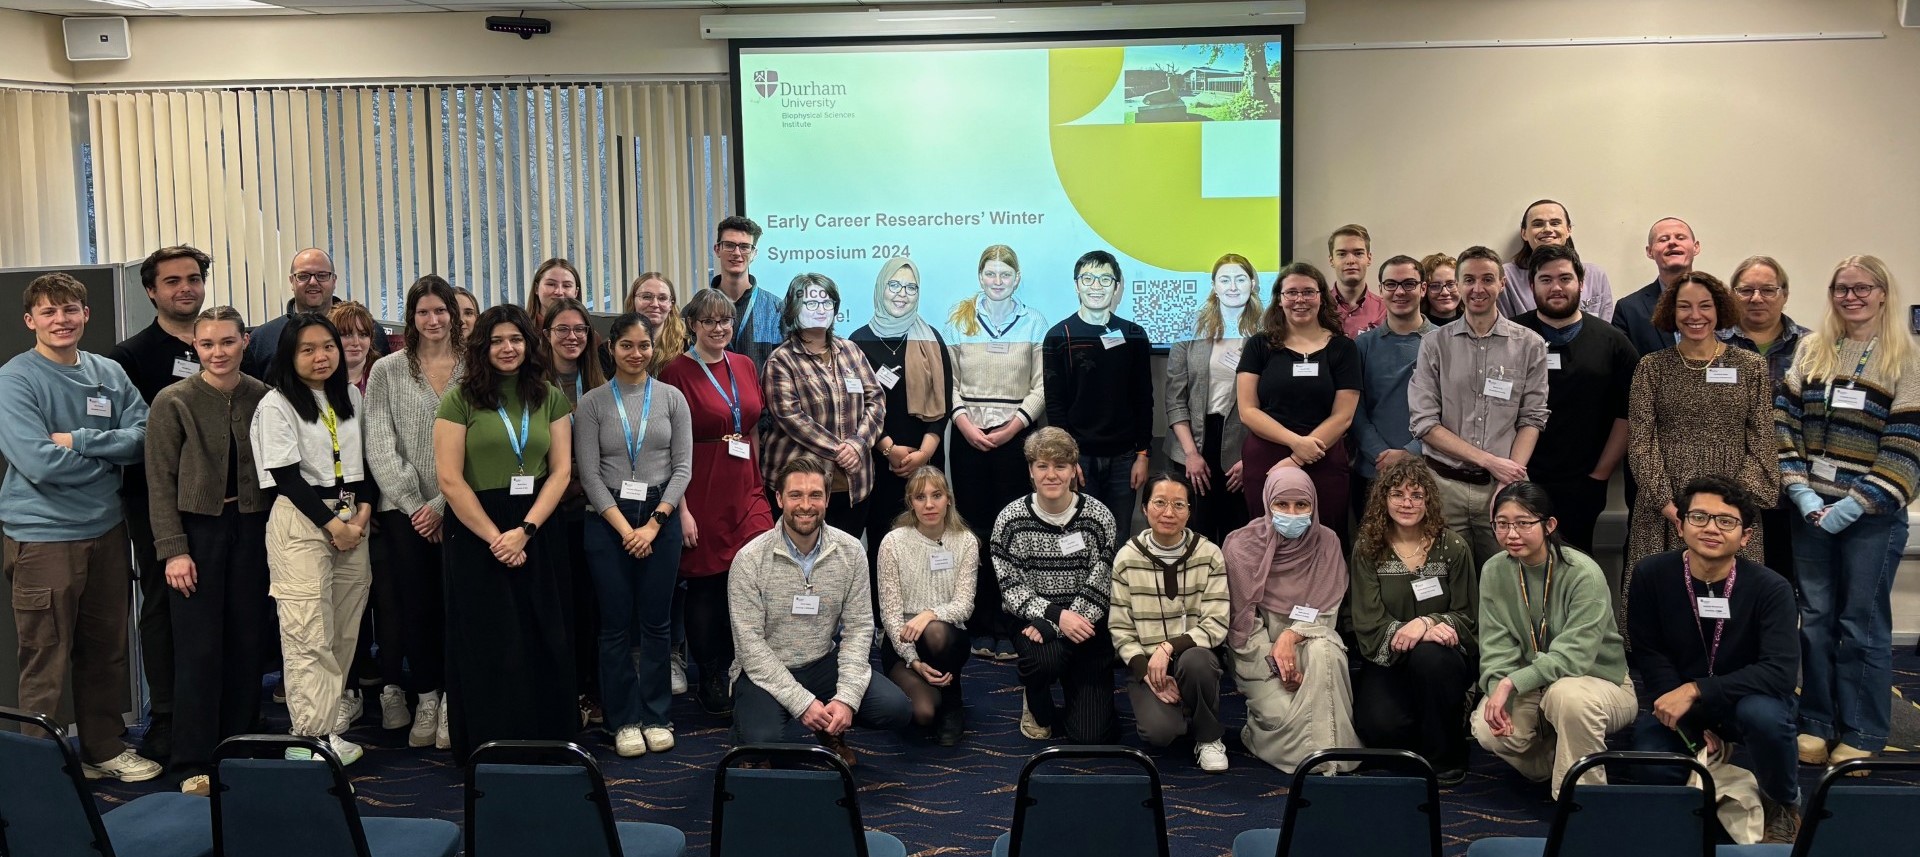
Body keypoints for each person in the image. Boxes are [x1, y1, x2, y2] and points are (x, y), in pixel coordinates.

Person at [0, 272, 159, 782]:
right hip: (44, 536)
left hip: (108, 532)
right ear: (30, 321)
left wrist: (82, 441)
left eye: (70, 310)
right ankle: (40, 769)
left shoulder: (109, 373)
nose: (61, 320)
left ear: (85, 315)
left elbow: (142, 436)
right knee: (45, 657)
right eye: (48, 312)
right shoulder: (15, 379)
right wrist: (108, 458)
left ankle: (103, 749)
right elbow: (39, 462)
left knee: (107, 649)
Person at [1777, 255, 1919, 771]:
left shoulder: (1907, 359)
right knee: (1814, 622)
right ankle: (1815, 721)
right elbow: (1783, 425)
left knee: (1861, 625)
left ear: (1884, 293)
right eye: (1842, 287)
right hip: (1810, 511)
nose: (1851, 296)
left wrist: (1856, 503)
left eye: (1862, 287)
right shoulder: (1813, 350)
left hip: (1873, 518)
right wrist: (1802, 493)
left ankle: (1863, 728)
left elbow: (1906, 450)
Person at [433, 304, 578, 762]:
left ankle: (548, 741)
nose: (507, 348)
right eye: (496, 340)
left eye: (515, 339)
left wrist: (526, 530)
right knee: (489, 639)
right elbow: (450, 479)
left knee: (542, 633)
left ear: (528, 344)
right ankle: (489, 743)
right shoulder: (459, 399)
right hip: (478, 531)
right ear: (482, 347)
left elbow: (560, 472)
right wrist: (498, 536)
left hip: (537, 526)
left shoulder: (549, 396)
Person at [1627, 476, 1802, 844]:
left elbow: (1779, 673)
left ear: (1746, 537)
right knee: (1647, 760)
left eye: (1726, 521)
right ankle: (1722, 774)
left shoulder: (1771, 588)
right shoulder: (1650, 574)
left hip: (1748, 700)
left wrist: (1697, 690)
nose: (1711, 528)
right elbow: (1650, 652)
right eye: (1700, 517)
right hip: (1682, 702)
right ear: (1680, 524)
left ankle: (1783, 803)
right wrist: (1688, 720)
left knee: (1766, 718)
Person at [144, 306, 271, 795]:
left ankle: (239, 746)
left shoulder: (262, 396)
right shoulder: (172, 401)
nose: (218, 352)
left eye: (227, 342)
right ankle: (192, 759)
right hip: (196, 533)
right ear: (195, 348)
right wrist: (174, 550)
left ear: (244, 341)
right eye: (207, 344)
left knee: (246, 641)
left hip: (252, 527)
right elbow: (159, 482)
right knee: (198, 648)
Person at [728, 455, 912, 764]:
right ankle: (744, 732)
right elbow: (750, 648)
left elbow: (859, 629)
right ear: (779, 498)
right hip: (764, 669)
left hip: (823, 662)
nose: (805, 504)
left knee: (897, 709)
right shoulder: (749, 560)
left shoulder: (851, 551)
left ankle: (830, 729)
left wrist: (845, 699)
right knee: (766, 742)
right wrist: (803, 704)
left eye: (815, 495)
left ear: (827, 499)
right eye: (795, 495)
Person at [252, 313, 376, 765]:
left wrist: (360, 517)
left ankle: (330, 727)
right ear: (290, 355)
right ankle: (308, 736)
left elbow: (366, 463)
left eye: (328, 346)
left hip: (351, 519)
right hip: (303, 522)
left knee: (344, 627)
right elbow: (285, 476)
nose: (320, 356)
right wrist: (334, 526)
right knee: (308, 630)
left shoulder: (350, 399)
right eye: (307, 349)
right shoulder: (276, 404)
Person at [109, 245, 210, 764]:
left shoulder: (224, 343)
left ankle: (216, 709)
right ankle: (167, 715)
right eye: (172, 281)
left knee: (217, 603)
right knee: (162, 604)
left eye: (193, 278)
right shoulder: (127, 358)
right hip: (153, 501)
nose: (185, 288)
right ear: (151, 291)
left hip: (220, 506)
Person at [576, 312, 693, 758]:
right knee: (613, 626)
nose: (636, 353)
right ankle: (623, 720)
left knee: (657, 624)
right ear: (611, 348)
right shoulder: (592, 404)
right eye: (626, 345)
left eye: (644, 345)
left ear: (653, 347)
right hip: (608, 522)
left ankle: (657, 714)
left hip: (658, 518)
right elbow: (587, 473)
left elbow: (683, 467)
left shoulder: (671, 399)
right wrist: (628, 529)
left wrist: (654, 523)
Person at [1625, 271, 1775, 619]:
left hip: (1732, 504)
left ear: (1719, 309)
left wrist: (1730, 510)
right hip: (1666, 505)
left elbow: (1763, 440)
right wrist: (1669, 507)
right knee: (1666, 605)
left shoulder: (1750, 366)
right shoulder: (1651, 368)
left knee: (1731, 608)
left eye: (1705, 306)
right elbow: (1641, 442)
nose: (1696, 316)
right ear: (1671, 313)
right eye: (1685, 307)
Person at [657, 288, 775, 716]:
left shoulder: (744, 365)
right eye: (709, 321)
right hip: (700, 487)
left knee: (751, 579)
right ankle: (709, 673)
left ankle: (748, 667)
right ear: (692, 325)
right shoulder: (675, 373)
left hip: (746, 485)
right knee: (707, 585)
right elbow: (669, 447)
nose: (719, 328)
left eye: (725, 320)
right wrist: (681, 510)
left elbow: (753, 427)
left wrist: (759, 481)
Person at [1474, 482, 1633, 798]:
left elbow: (1574, 657)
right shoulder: (1495, 570)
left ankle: (1582, 801)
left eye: (1523, 523)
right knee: (1486, 729)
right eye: (1502, 524)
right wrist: (1497, 688)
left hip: (1598, 681)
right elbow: (1495, 645)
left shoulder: (1582, 573)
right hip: (1531, 684)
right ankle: (1559, 761)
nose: (1512, 534)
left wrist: (1510, 683)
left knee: (1567, 696)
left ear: (1549, 525)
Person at [363, 275, 466, 750]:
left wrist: (444, 503)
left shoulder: (475, 364)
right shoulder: (386, 370)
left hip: (464, 507)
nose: (433, 320)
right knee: (416, 608)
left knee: (458, 606)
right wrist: (416, 506)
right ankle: (426, 696)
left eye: (441, 310)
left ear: (454, 313)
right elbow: (380, 444)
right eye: (423, 312)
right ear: (411, 317)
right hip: (405, 514)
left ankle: (454, 702)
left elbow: (482, 438)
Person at [1408, 245, 1550, 569]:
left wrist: (1507, 477)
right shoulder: (1434, 344)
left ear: (1502, 283)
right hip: (1443, 485)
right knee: (1445, 580)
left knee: (1507, 577)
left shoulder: (1530, 345)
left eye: (1487, 279)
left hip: (1501, 490)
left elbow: (1533, 417)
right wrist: (1491, 461)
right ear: (1457, 286)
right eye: (1469, 280)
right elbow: (1424, 424)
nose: (1478, 288)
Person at [945, 244, 1048, 662]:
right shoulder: (959, 320)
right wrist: (965, 423)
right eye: (990, 274)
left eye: (1006, 274)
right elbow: (947, 382)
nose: (998, 281)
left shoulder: (1035, 322)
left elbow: (1041, 386)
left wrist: (1013, 428)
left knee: (1011, 535)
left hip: (1015, 441)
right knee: (973, 533)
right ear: (980, 276)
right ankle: (979, 620)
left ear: (1017, 278)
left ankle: (1010, 623)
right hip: (968, 438)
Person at [1348, 458, 1478, 784]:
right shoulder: (1368, 548)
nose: (1407, 503)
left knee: (1431, 658)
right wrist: (1409, 631)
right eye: (1398, 494)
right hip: (1388, 657)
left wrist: (1428, 623)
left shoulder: (1453, 547)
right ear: (1384, 499)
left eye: (1417, 495)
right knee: (1379, 728)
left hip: (1440, 657)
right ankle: (1433, 720)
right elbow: (1367, 619)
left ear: (1429, 500)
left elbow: (1469, 616)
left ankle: (1444, 758)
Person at [1223, 467, 1358, 775]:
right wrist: (1277, 663)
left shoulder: (1327, 543)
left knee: (1325, 655)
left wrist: (1291, 637)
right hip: (1259, 653)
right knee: (1283, 715)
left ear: (1314, 505)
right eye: (1282, 505)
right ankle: (1311, 755)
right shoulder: (1240, 547)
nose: (1292, 514)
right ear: (1267, 503)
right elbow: (1242, 625)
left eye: (1302, 506)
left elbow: (1327, 616)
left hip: (1311, 640)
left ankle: (1328, 759)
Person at [992, 427, 1119, 744]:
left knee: (1090, 735)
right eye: (1042, 466)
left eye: (1060, 466)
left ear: (1074, 470)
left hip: (1087, 625)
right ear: (1031, 471)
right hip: (1033, 625)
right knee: (1041, 663)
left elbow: (1100, 584)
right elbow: (1012, 589)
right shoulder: (1009, 521)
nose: (1051, 475)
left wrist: (1067, 622)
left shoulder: (1099, 517)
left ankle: (1080, 686)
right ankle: (1035, 697)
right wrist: (1055, 618)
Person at [1511, 244, 1637, 556]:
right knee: (1520, 562)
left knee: (1576, 564)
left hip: (1584, 483)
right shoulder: (1511, 335)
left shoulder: (1613, 342)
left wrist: (1601, 474)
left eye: (1565, 278)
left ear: (1581, 283)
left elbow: (1629, 413)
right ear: (1532, 286)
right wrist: (1511, 469)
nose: (1556, 287)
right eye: (1545, 279)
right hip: (1521, 476)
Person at [1109, 473, 1231, 772]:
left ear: (1190, 511)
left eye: (1179, 505)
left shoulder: (1209, 554)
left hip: (1192, 654)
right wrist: (1146, 671)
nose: (1168, 513)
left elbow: (1216, 622)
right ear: (1144, 507)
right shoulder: (1127, 557)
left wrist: (1168, 648)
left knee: (1197, 663)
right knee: (1160, 734)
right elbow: (1120, 628)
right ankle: (1182, 706)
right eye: (1159, 503)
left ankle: (1208, 736)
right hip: (1148, 663)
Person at [1234, 261, 1361, 545]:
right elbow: (1248, 410)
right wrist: (1295, 442)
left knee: (1325, 541)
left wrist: (1298, 457)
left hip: (1323, 457)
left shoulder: (1343, 348)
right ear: (1279, 299)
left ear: (1321, 297)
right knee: (1265, 539)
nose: (1299, 300)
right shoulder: (1259, 345)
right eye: (1291, 293)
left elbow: (1343, 416)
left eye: (1308, 292)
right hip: (1267, 458)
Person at [849, 256, 953, 592]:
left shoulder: (930, 338)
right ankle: (883, 624)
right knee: (883, 543)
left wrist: (922, 455)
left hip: (926, 462)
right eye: (894, 285)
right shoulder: (857, 341)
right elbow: (855, 407)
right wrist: (889, 449)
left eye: (911, 287)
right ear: (881, 288)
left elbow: (944, 407)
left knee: (927, 542)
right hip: (879, 463)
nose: (902, 294)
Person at [759, 273, 885, 534]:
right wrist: (842, 450)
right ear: (794, 309)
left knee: (844, 564)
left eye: (827, 303)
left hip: (854, 486)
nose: (820, 310)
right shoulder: (781, 360)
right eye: (811, 303)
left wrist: (858, 444)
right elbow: (791, 417)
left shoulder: (850, 350)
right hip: (801, 489)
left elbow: (876, 400)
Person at [1043, 249, 1153, 529]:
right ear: (1076, 284)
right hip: (1080, 458)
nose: (1096, 287)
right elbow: (1055, 404)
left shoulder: (1134, 335)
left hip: (1125, 459)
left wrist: (1143, 454)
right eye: (1088, 278)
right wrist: (1067, 458)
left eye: (1105, 280)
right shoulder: (1058, 335)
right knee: (1081, 536)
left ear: (1117, 287)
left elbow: (1143, 398)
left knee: (1118, 537)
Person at [1720, 256, 1810, 587]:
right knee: (1730, 584)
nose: (1757, 298)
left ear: (1784, 294)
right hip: (1729, 484)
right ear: (1732, 294)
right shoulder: (1712, 345)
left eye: (1768, 290)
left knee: (1783, 583)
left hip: (1791, 489)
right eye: (1746, 290)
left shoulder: (1812, 347)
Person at [874, 466, 977, 746]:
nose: (929, 504)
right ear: (911, 503)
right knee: (923, 714)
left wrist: (929, 615)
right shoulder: (892, 543)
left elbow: (964, 606)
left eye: (936, 495)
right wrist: (913, 661)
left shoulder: (966, 541)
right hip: (901, 643)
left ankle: (953, 698)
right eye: (920, 497)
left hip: (947, 637)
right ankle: (932, 689)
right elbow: (891, 615)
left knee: (934, 630)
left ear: (949, 499)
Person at [544, 296, 609, 727]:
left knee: (592, 609)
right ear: (546, 335)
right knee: (558, 607)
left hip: (597, 507)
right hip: (550, 511)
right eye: (562, 329)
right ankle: (558, 692)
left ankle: (590, 691)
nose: (572, 337)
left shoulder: (603, 380)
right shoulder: (533, 382)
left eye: (580, 330)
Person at [1165, 253, 1259, 544]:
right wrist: (1191, 454)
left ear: (1253, 283)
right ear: (1214, 286)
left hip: (1244, 448)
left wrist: (1252, 458)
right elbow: (1174, 398)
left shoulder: (1268, 332)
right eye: (1225, 279)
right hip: (1192, 447)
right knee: (1194, 537)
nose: (1233, 286)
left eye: (1240, 279)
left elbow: (1272, 402)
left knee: (1239, 540)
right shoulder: (1189, 328)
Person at [330, 299, 388, 727]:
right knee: (341, 605)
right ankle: (344, 688)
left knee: (386, 601)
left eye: (362, 333)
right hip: (337, 513)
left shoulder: (384, 378)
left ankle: (389, 683)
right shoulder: (315, 384)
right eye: (345, 333)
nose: (354, 341)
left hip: (386, 505)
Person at [1351, 254, 1435, 518]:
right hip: (1374, 469)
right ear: (1381, 289)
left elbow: (1452, 409)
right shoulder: (1362, 345)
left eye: (1409, 284)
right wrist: (1379, 453)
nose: (1400, 292)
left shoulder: (1443, 342)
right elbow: (1354, 408)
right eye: (1391, 284)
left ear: (1423, 288)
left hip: (1429, 469)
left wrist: (1410, 452)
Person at [242, 248, 389, 378]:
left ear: (334, 280)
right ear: (292, 281)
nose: (313, 282)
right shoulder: (262, 339)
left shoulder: (369, 331)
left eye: (322, 275)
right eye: (303, 276)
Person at [1499, 199, 1615, 321]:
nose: (1547, 229)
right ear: (1524, 233)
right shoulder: (1507, 277)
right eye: (1538, 224)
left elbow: (1605, 329)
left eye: (1555, 223)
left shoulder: (1595, 275)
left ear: (1568, 229)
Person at [1613, 218, 1703, 359]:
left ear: (1696, 247)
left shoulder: (1720, 302)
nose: (1672, 242)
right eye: (1663, 239)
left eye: (1680, 237)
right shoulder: (1628, 309)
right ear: (1650, 252)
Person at [711, 216, 784, 370]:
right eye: (729, 245)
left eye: (744, 247)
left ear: (754, 253)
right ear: (717, 249)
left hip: (761, 394)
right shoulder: (697, 310)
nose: (737, 253)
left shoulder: (776, 309)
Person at [1328, 224, 1384, 337]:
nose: (1350, 260)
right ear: (1331, 260)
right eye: (1342, 254)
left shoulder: (1385, 311)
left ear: (1369, 258)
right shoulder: (1317, 307)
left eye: (1358, 253)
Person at [628, 272, 689, 374]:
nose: (655, 304)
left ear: (671, 304)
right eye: (646, 297)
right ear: (632, 301)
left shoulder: (687, 346)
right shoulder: (611, 349)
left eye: (662, 298)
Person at [329, 301, 378, 393]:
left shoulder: (385, 375)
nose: (356, 342)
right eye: (347, 335)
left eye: (363, 335)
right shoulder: (318, 378)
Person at [524, 258, 581, 327]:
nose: (559, 292)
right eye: (551, 284)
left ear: (576, 292)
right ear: (536, 288)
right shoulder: (520, 331)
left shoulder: (589, 334)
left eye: (566, 286)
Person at [1420, 253, 1462, 326]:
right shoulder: (1417, 327)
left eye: (1451, 284)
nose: (1445, 292)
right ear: (1424, 289)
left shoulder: (1476, 324)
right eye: (1435, 286)